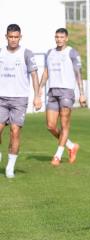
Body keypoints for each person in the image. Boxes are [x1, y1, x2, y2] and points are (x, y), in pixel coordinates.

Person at [39, 28, 86, 166]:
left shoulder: (71, 52)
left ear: (66, 38)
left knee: (64, 124)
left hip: (66, 92)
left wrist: (82, 93)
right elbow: (46, 72)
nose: (59, 39)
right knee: (50, 126)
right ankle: (71, 146)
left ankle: (57, 156)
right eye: (57, 37)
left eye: (61, 37)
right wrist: (40, 89)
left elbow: (78, 73)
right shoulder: (50, 53)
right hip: (52, 91)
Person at [0, 24, 41, 178]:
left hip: (19, 99)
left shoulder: (26, 53)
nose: (13, 40)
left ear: (20, 37)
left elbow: (34, 75)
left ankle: (10, 167)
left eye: (16, 37)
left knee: (15, 132)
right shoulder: (1, 52)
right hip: (1, 98)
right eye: (11, 37)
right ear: (6, 37)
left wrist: (37, 96)